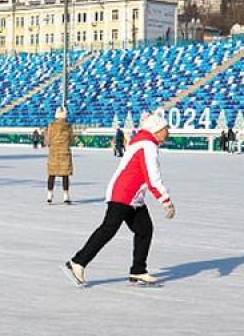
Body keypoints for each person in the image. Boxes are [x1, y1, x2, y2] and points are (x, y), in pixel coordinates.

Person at [64, 111, 174, 287]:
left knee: (144, 229)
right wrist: (165, 200)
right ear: (156, 130)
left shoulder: (145, 143)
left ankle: (138, 270)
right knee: (108, 229)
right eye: (165, 128)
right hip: (123, 194)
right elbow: (152, 177)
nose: (168, 131)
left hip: (133, 197)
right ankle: (78, 262)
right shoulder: (147, 146)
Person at [46, 108, 74, 205]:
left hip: (54, 152)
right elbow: (71, 139)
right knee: (65, 175)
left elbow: (47, 140)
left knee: (51, 174)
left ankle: (49, 195)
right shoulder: (68, 126)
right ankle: (66, 196)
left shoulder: (51, 125)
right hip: (65, 152)